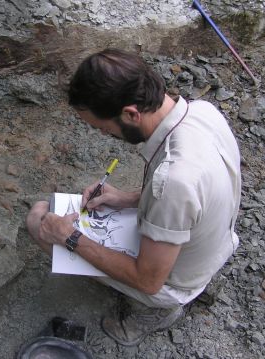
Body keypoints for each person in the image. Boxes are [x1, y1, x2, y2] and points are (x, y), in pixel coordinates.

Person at [26, 48, 241, 346]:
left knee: (39, 220)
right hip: (213, 244)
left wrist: (69, 237)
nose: (102, 134)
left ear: (130, 113)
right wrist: (126, 199)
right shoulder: (203, 112)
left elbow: (148, 280)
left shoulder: (173, 180)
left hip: (173, 280)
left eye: (102, 127)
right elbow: (195, 195)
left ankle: (157, 310)